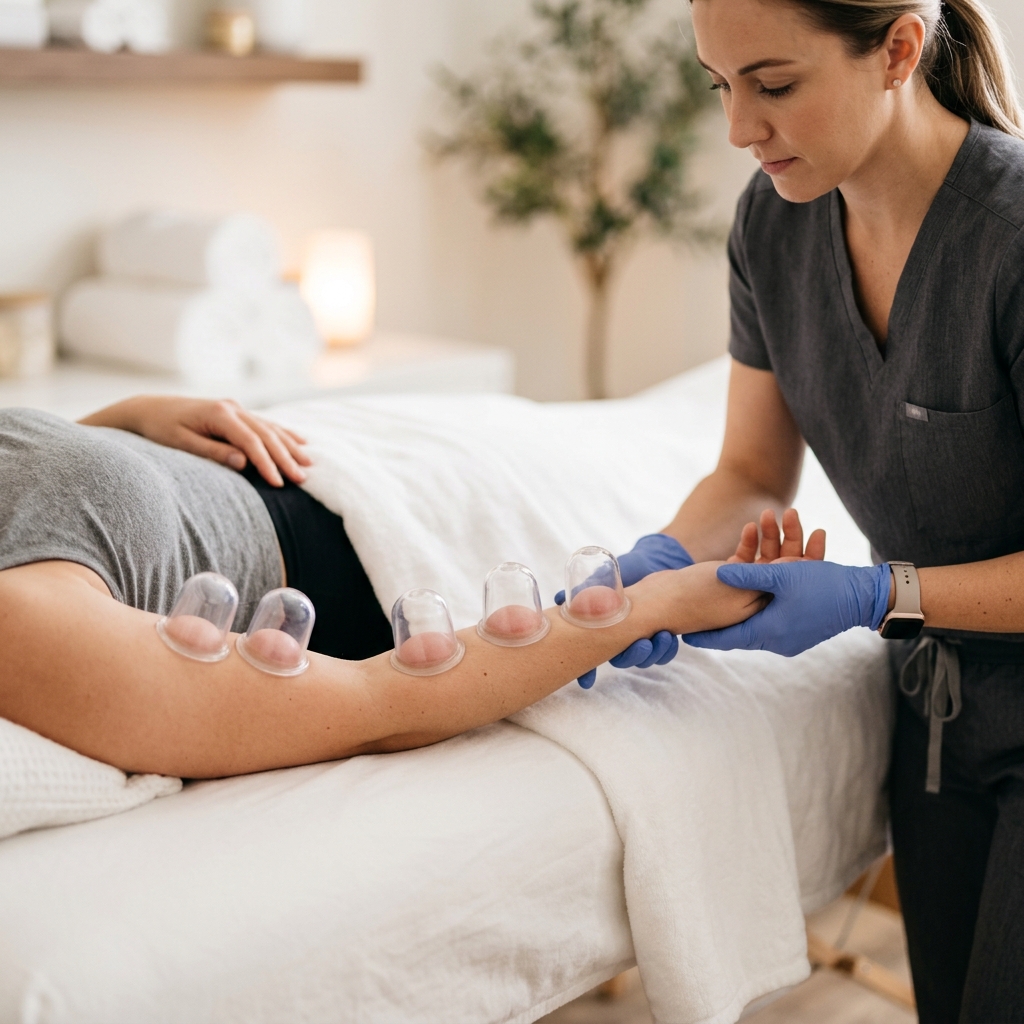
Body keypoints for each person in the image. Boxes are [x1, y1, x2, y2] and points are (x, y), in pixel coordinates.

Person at [593, 0, 1024, 1019]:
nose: (740, 128)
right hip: (933, 723)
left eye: (773, 84)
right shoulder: (771, 224)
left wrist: (873, 592)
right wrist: (653, 565)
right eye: (720, 85)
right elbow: (749, 468)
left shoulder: (1008, 242)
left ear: (898, 50)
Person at [0, 394, 777, 783]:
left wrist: (125, 418)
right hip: (393, 536)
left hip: (334, 446)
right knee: (650, 445)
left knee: (593, 417)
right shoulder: (27, 629)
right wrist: (653, 604)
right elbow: (378, 703)